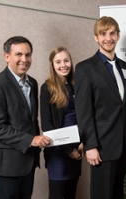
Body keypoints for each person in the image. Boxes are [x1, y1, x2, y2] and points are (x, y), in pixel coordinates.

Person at [74, 16, 126, 199]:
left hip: (124, 146)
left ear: (118, 36)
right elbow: (83, 111)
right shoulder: (85, 68)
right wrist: (90, 145)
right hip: (101, 147)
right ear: (96, 37)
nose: (108, 38)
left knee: (117, 194)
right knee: (102, 195)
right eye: (103, 34)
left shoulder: (125, 67)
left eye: (112, 33)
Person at [0, 36, 51, 199]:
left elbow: (30, 120)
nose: (24, 59)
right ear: (7, 56)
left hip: (27, 161)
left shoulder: (32, 83)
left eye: (28, 55)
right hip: (6, 165)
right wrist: (30, 140)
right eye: (18, 54)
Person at [40, 46, 83, 199]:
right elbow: (47, 125)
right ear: (52, 65)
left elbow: (84, 117)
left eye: (66, 60)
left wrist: (82, 144)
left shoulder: (77, 85)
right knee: (57, 195)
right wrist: (68, 150)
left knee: (71, 194)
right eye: (58, 62)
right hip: (58, 151)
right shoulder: (47, 88)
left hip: (78, 148)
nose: (63, 65)